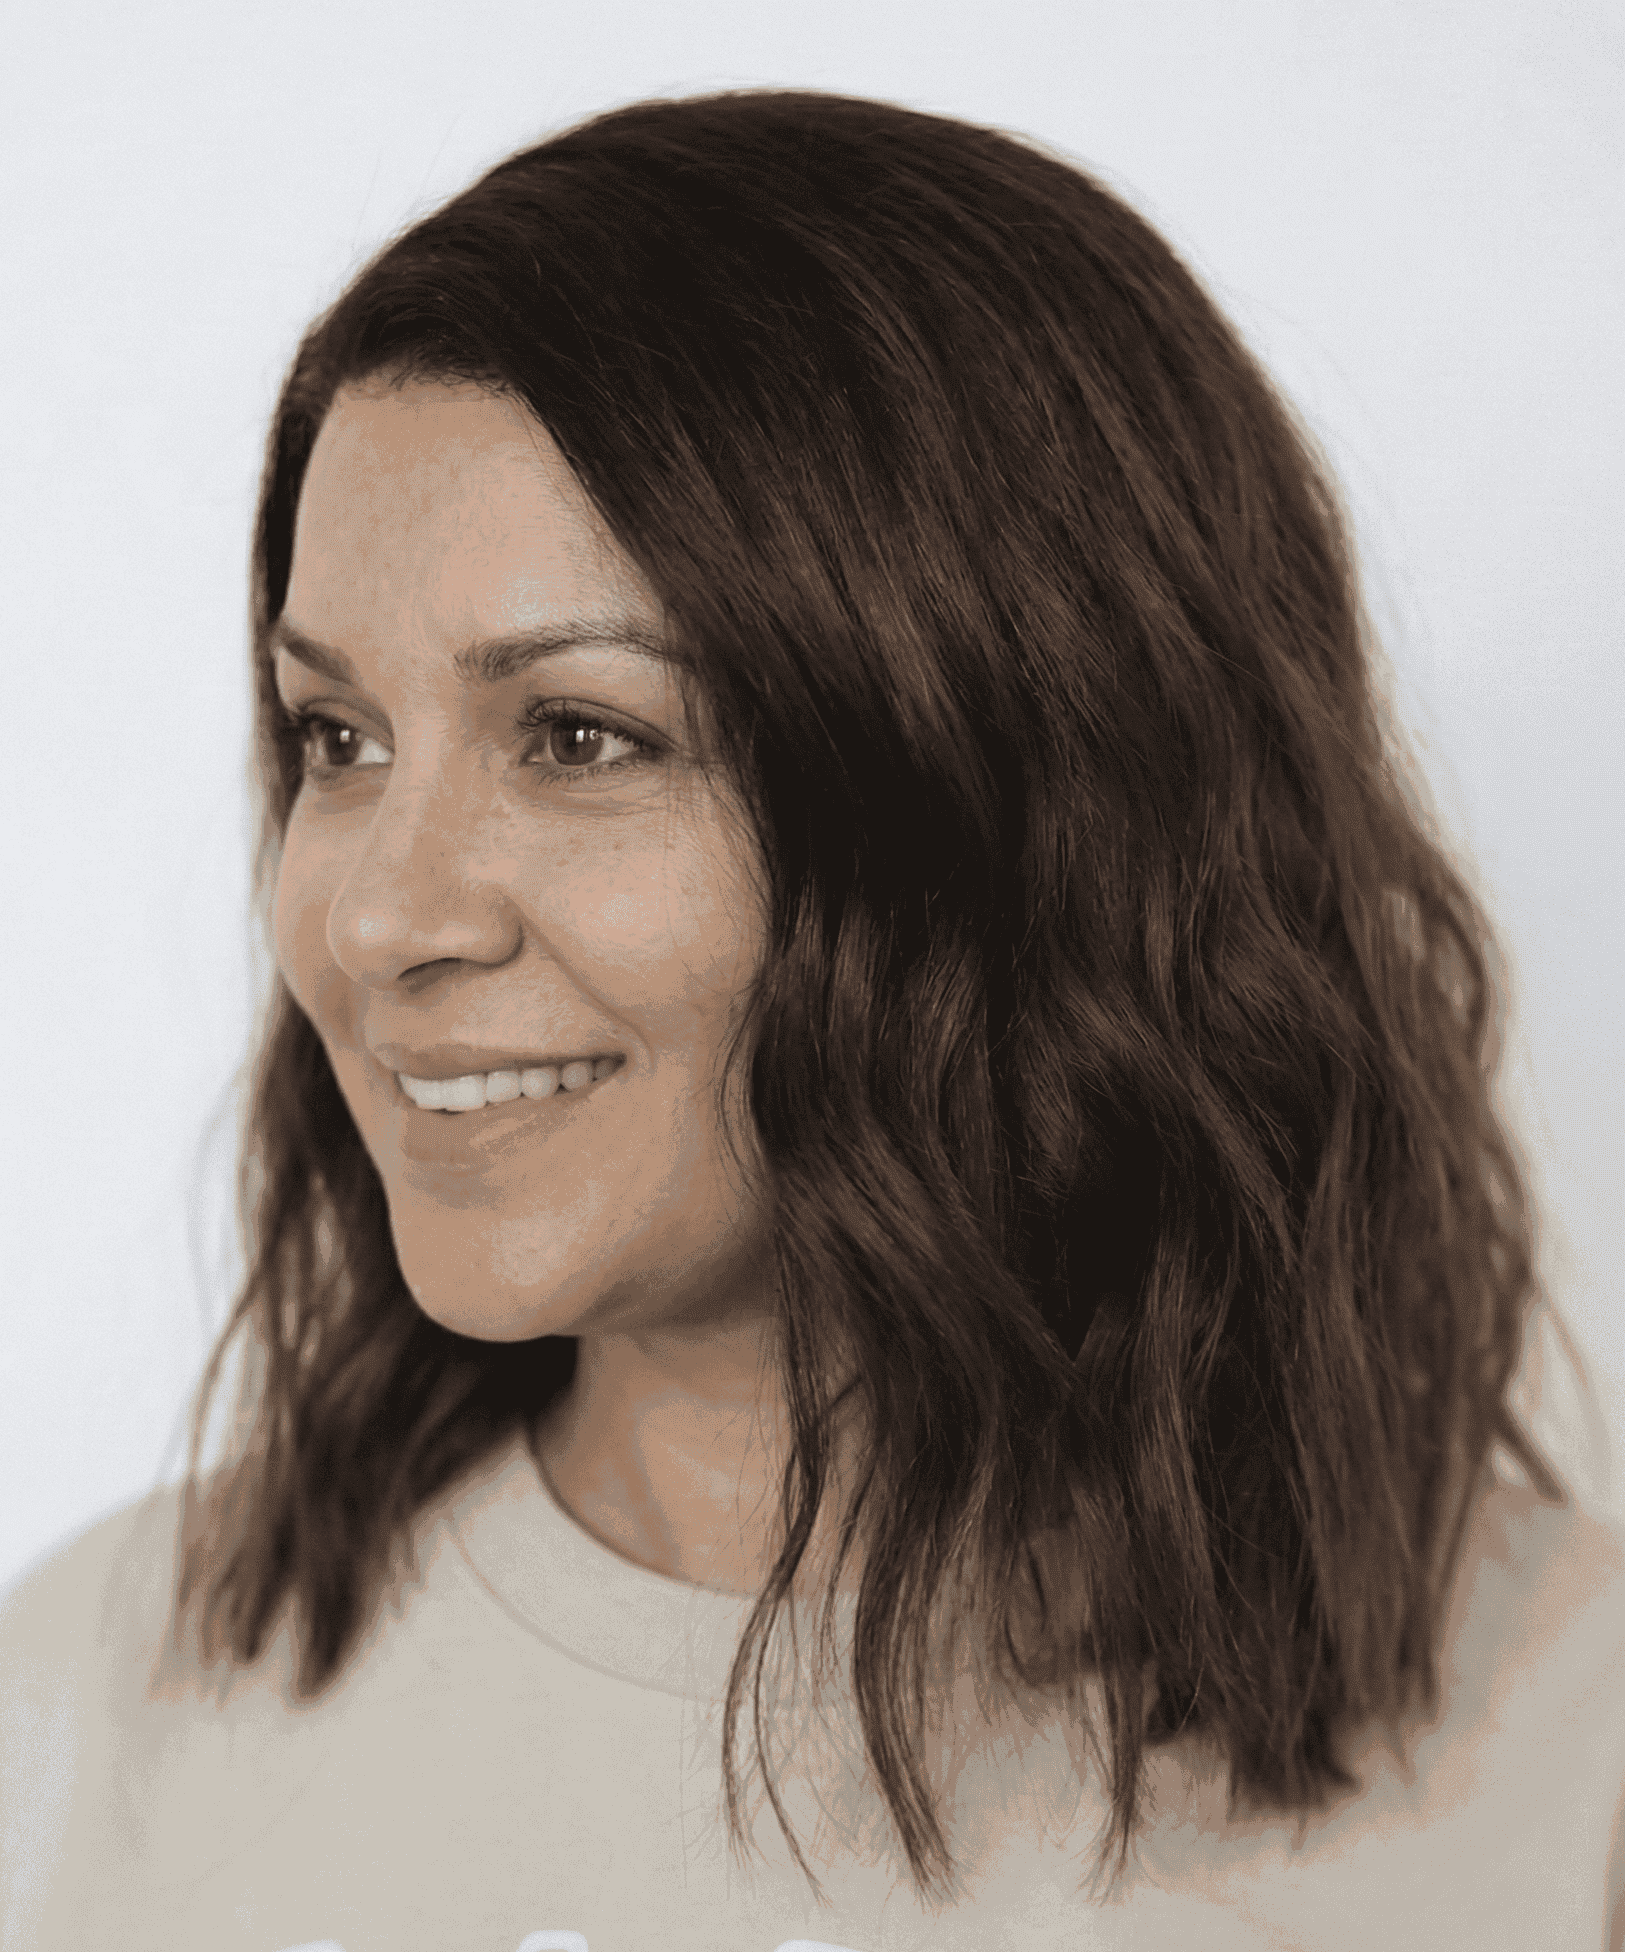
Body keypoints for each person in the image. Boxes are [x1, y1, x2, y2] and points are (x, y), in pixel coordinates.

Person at [2, 88, 1621, 1952]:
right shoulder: (78, 1722)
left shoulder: (1571, 1753)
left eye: (580, 736)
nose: (374, 914)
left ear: (1024, 806)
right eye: (338, 739)